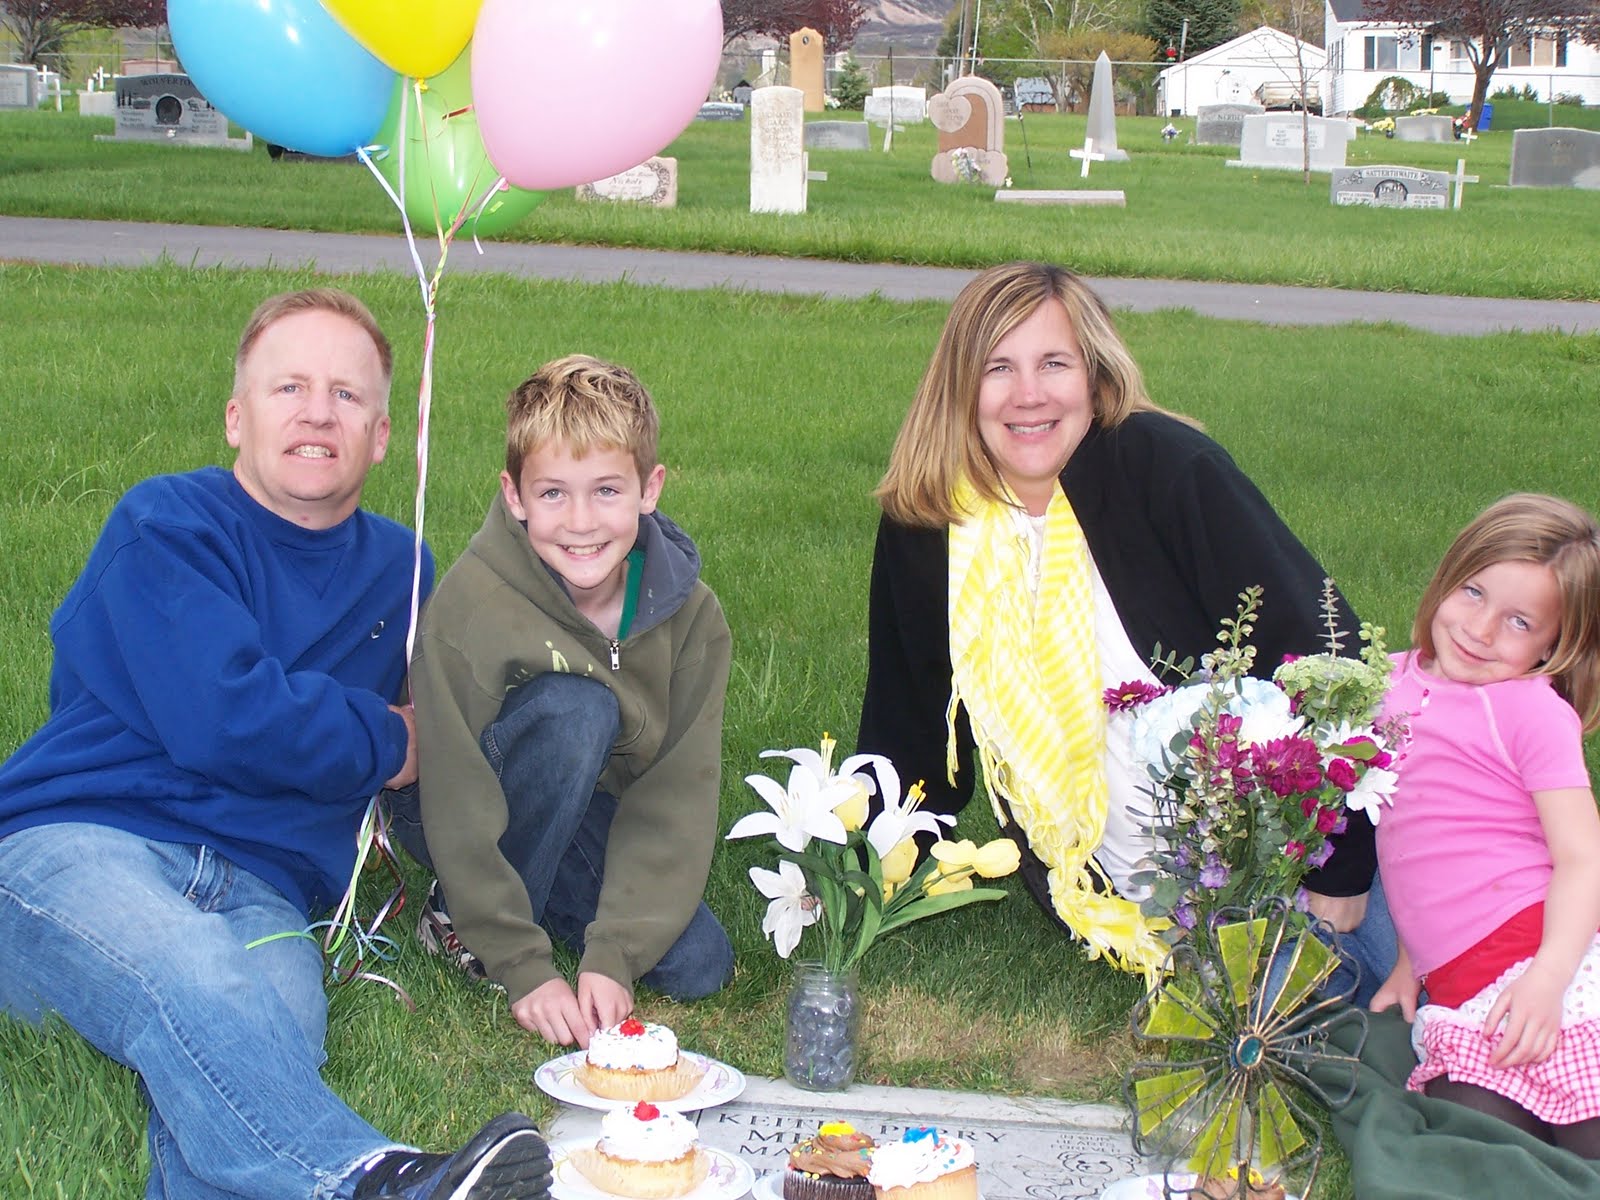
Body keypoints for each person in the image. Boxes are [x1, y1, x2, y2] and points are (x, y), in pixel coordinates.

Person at [0, 289, 552, 1199]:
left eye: (346, 394)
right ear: (236, 418)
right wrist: (389, 738)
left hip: (265, 886)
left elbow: (473, 716)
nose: (316, 412)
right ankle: (379, 1180)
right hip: (82, 845)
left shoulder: (405, 570)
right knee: (198, 978)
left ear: (382, 435)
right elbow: (225, 716)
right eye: (288, 387)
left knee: (271, 1036)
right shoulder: (166, 524)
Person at [856, 260, 1386, 988]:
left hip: (1280, 845)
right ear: (959, 386)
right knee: (1283, 1009)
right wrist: (869, 873)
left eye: (1054, 363)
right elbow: (908, 725)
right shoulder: (930, 522)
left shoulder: (1165, 467)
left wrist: (1344, 865)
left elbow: (1328, 659)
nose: (1029, 394)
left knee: (1389, 994)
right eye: (998, 368)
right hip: (1096, 878)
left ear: (1096, 375)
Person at [394, 354, 733, 1049]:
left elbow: (674, 795)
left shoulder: (694, 619)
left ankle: (539, 896)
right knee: (580, 712)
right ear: (515, 496)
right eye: (553, 493)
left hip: (584, 806)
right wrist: (520, 963)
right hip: (458, 805)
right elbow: (454, 788)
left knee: (699, 963)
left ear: (650, 488)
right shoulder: (471, 606)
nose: (581, 522)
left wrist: (614, 952)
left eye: (607, 490)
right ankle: (465, 916)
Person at [1370, 493, 1600, 1155]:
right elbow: (1413, 839)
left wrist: (1548, 980)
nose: (1481, 629)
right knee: (1480, 1136)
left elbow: (1583, 857)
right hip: (1460, 990)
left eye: (1519, 621)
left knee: (1587, 1138)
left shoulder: (1529, 711)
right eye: (1473, 592)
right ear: (1448, 576)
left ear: (1556, 644)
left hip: (1547, 960)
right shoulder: (1384, 686)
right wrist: (1409, 965)